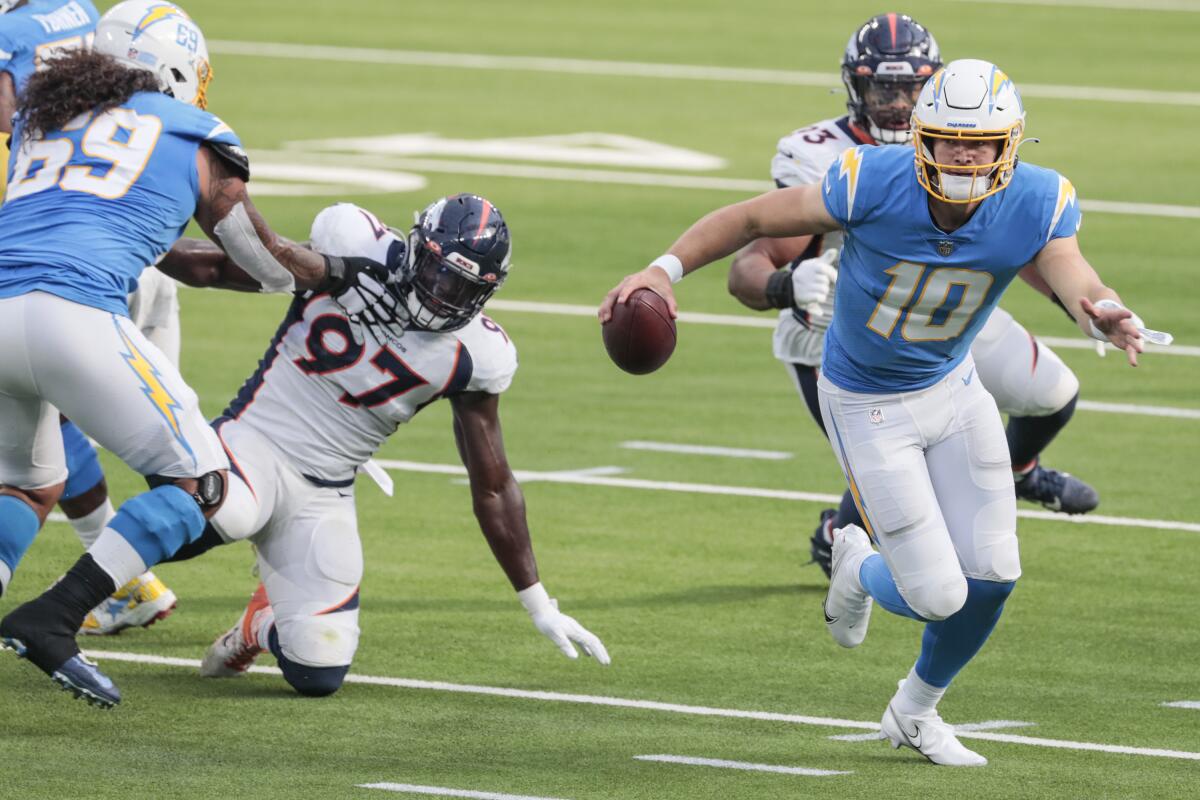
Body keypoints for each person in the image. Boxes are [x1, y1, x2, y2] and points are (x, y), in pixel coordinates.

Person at [600, 59, 1168, 765]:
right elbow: (749, 219)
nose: (965, 154)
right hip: (867, 402)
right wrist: (663, 269)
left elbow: (1069, 268)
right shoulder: (870, 177)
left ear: (1010, 145)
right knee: (935, 594)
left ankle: (915, 712)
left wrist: (1102, 309)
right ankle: (855, 564)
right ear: (921, 137)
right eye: (951, 139)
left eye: (982, 142)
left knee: (994, 576)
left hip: (954, 390)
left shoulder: (1037, 199)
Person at [0, 0, 388, 708]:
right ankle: (54, 617)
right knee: (210, 487)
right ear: (177, 72)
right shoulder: (195, 132)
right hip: (75, 316)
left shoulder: (41, 116)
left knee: (27, 485)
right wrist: (338, 272)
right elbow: (264, 262)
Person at [153, 198, 609, 697]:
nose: (442, 295)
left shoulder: (478, 354)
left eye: (462, 288)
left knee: (318, 673)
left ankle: (258, 626)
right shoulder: (355, 248)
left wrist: (538, 602)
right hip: (254, 439)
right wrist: (124, 244)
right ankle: (75, 603)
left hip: (325, 487)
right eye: (438, 275)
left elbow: (494, 485)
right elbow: (239, 264)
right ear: (416, 251)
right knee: (184, 524)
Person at [723, 14, 1096, 579]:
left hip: (948, 312)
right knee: (918, 476)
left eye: (912, 88)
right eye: (884, 87)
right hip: (845, 336)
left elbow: (1013, 236)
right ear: (856, 87)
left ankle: (1018, 470)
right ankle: (842, 534)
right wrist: (784, 286)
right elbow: (753, 260)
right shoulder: (829, 157)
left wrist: (1084, 305)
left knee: (1055, 392)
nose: (898, 103)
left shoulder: (965, 140)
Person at [0, 0, 181, 635]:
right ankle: (131, 582)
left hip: (58, 254)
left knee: (33, 429)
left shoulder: (11, 30)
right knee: (48, 422)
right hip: (116, 236)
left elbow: (10, 114)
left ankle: (120, 582)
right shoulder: (75, 7)